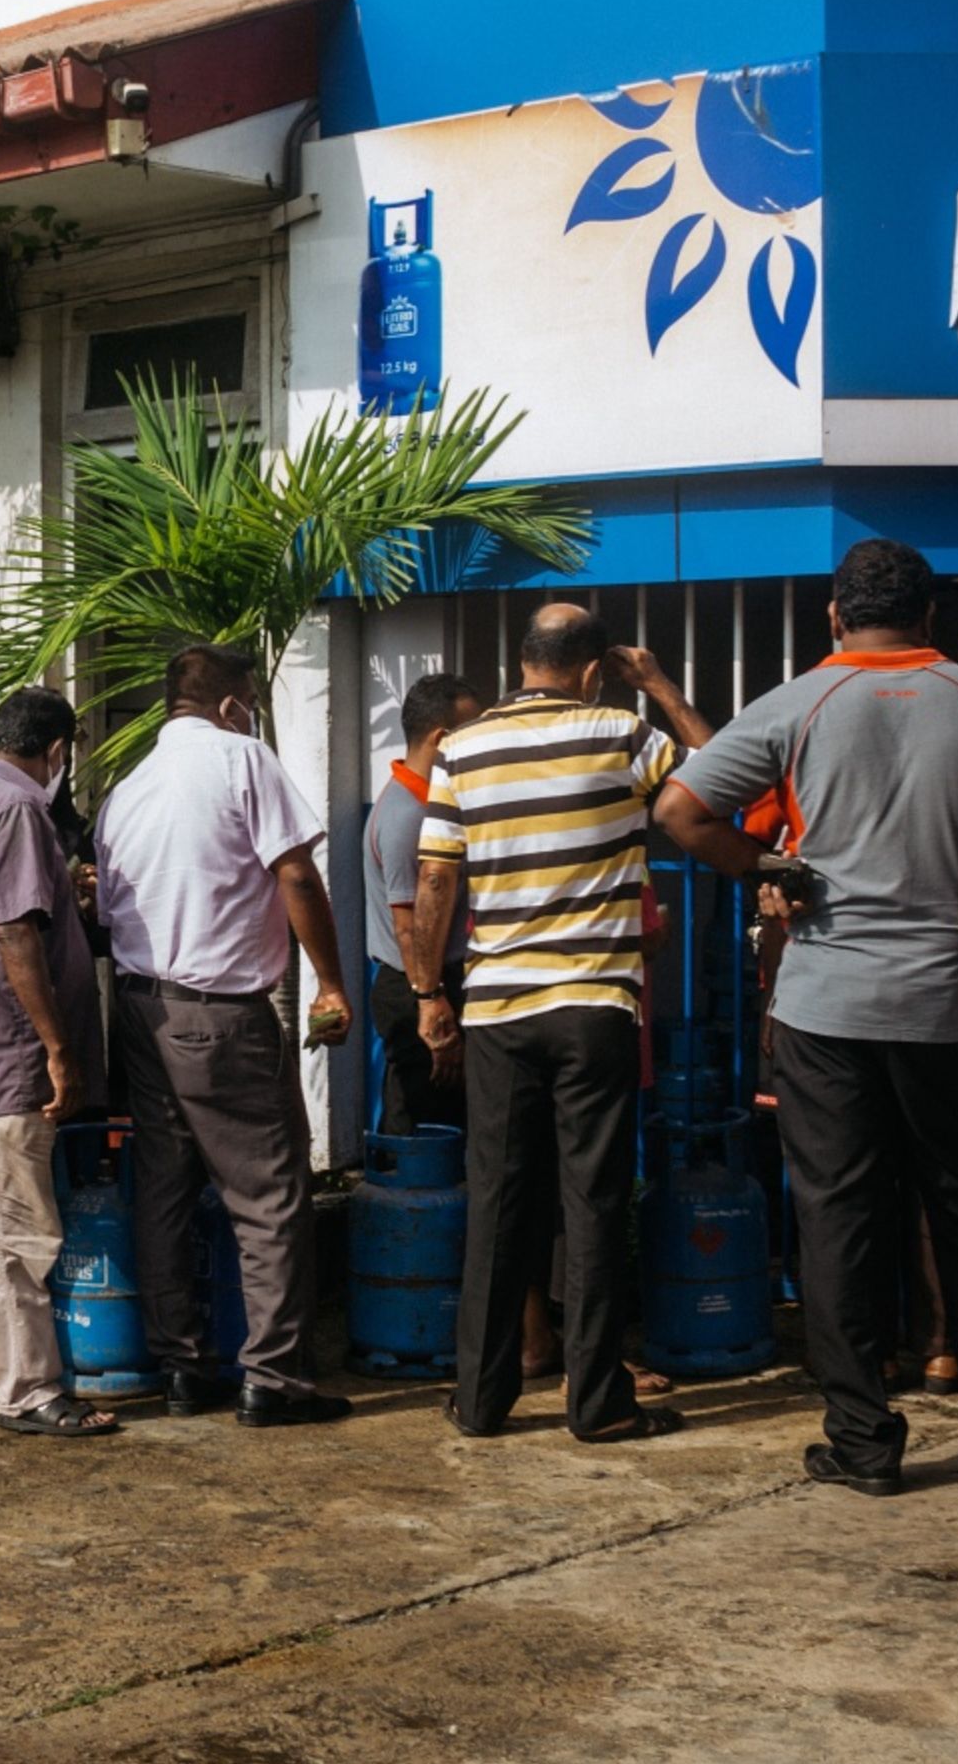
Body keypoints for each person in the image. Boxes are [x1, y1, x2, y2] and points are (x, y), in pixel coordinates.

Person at [674, 537, 958, 1496]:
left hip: (825, 1008)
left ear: (836, 615)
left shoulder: (798, 702)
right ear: (930, 616)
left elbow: (681, 809)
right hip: (945, 1008)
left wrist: (766, 869)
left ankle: (865, 1444)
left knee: (838, 1221)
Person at [410, 608, 749, 1444]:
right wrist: (659, 685)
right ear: (594, 670)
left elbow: (435, 880)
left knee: (498, 1201)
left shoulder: (463, 748)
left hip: (498, 1009)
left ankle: (480, 1400)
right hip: (595, 1004)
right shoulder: (623, 733)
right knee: (593, 1202)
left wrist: (427, 992)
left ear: (523, 660)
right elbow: (722, 776)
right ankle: (596, 1401)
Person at [93, 642, 357, 1427]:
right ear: (233, 704)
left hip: (143, 1010)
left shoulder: (127, 790)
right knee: (271, 1193)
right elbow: (297, 872)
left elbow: (110, 911)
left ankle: (183, 1365)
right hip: (222, 1014)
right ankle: (273, 1377)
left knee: (164, 1190)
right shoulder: (242, 758)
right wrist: (330, 980)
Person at [0, 687, 118, 1438]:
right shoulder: (18, 810)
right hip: (9, 1052)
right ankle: (29, 1389)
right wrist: (58, 1046)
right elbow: (13, 932)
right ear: (57, 749)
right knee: (13, 1225)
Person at [365, 671, 483, 1145]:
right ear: (440, 738)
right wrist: (430, 1001)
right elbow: (408, 924)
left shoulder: (429, 803)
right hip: (417, 985)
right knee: (421, 1118)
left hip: (432, 981)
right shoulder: (407, 815)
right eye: (469, 733)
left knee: (444, 1108)